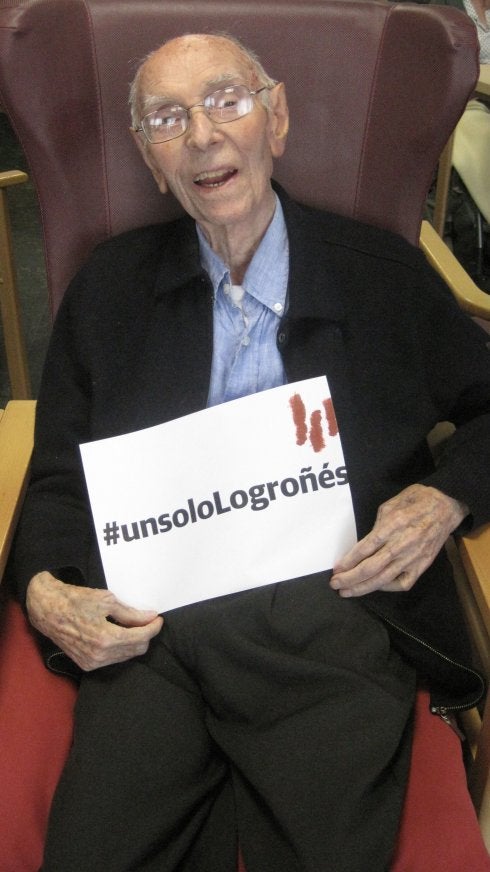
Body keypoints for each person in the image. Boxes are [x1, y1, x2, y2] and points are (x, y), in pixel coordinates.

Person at [12, 33, 490, 872]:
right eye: (168, 119)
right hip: (153, 625)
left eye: (227, 101)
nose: (202, 135)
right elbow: (58, 471)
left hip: (330, 612)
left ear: (278, 119)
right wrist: (45, 586)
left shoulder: (383, 278)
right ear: (151, 158)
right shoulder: (110, 288)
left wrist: (446, 496)